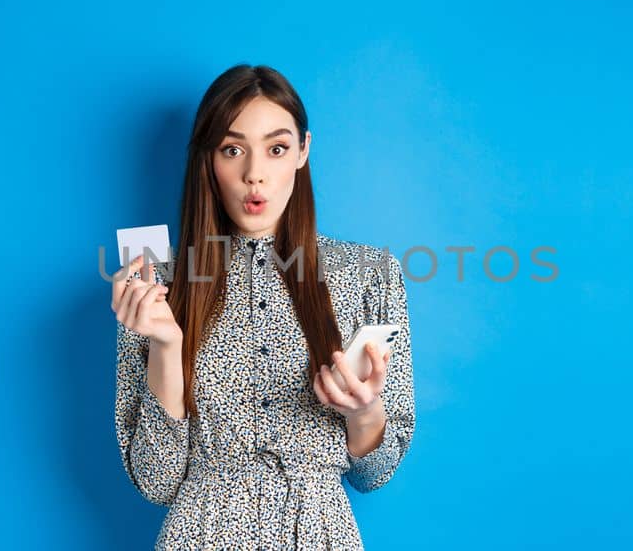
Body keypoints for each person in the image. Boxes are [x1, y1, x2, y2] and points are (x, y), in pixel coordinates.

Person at [109, 64, 415, 549]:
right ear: (209, 159)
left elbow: (374, 474)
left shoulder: (370, 274)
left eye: (276, 148)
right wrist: (167, 345)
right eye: (233, 150)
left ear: (303, 151)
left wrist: (364, 410)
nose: (255, 174)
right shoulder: (151, 281)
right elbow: (156, 483)